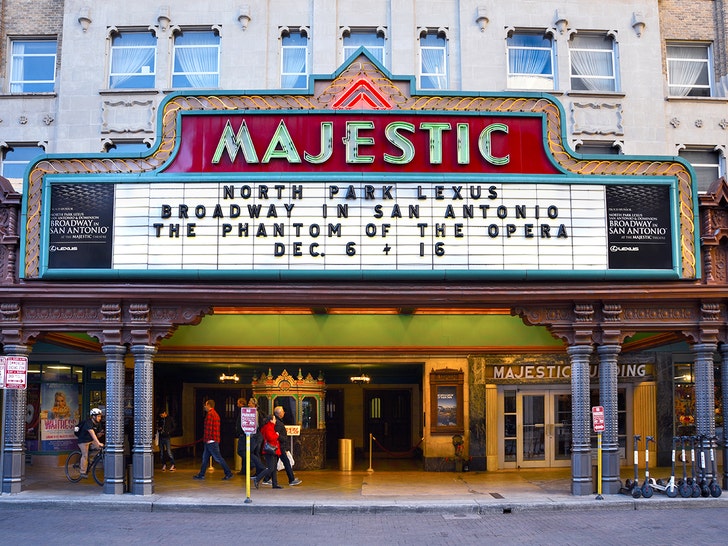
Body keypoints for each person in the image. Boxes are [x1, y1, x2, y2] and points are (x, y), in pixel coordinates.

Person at [192, 399, 233, 481]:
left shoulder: (210, 414)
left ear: (208, 405)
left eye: (205, 405)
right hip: (213, 440)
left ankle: (228, 473)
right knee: (205, 458)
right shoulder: (215, 414)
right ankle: (201, 474)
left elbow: (208, 429)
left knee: (218, 458)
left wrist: (206, 439)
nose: (204, 406)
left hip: (211, 440)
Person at [263, 405, 302, 486]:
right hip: (279, 446)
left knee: (275, 464)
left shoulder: (278, 422)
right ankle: (291, 479)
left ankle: (266, 479)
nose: (284, 413)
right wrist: (282, 439)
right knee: (286, 462)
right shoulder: (278, 423)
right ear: (279, 413)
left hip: (278, 446)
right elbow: (275, 435)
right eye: (283, 411)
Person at [236, 397, 266, 477]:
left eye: (250, 403)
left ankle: (257, 466)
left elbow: (256, 425)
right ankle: (255, 469)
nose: (248, 404)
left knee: (247, 452)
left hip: (253, 435)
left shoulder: (255, 413)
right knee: (252, 452)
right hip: (253, 435)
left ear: (254, 404)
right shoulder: (249, 411)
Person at [253, 414, 282, 489]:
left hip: (271, 449)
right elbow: (270, 437)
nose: (275, 420)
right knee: (271, 468)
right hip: (270, 450)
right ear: (271, 420)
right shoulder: (269, 427)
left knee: (274, 468)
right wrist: (276, 435)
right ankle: (258, 478)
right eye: (274, 419)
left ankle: (275, 484)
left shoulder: (267, 427)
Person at [77, 407, 104, 478]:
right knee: (85, 455)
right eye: (98, 416)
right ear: (93, 416)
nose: (99, 418)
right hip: (83, 441)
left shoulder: (98, 424)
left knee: (100, 448)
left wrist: (100, 434)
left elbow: (97, 434)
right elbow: (92, 434)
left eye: (100, 416)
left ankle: (90, 459)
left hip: (90, 440)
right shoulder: (88, 423)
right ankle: (82, 472)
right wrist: (98, 443)